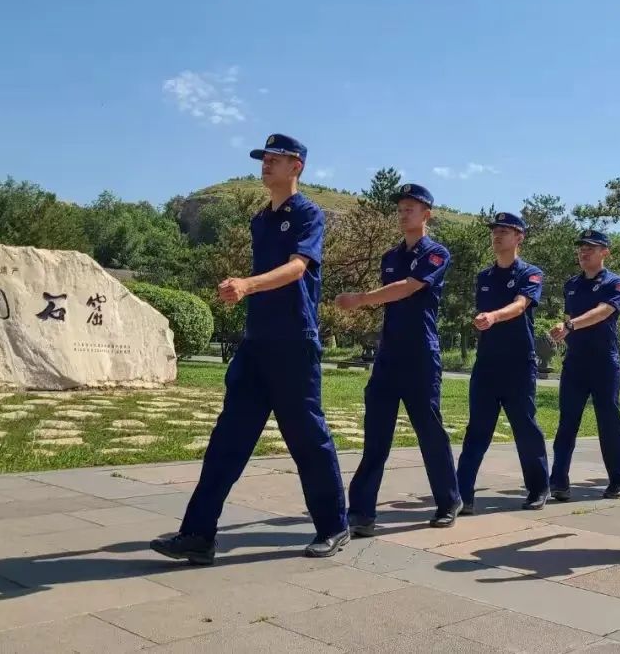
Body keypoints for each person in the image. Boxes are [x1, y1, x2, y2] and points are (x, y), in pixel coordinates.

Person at [150, 133, 349, 565]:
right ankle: (198, 535)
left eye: (276, 159)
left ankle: (334, 525)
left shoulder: (308, 214)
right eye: (264, 158)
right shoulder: (260, 220)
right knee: (228, 439)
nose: (266, 164)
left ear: (296, 167)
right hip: (256, 343)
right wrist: (242, 288)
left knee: (307, 438)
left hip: (294, 343)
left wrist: (247, 284)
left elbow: (297, 269)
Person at [335, 183, 462, 535]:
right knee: (376, 434)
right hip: (389, 355)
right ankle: (361, 512)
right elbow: (392, 295)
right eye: (401, 208)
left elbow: (409, 287)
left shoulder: (436, 253)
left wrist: (361, 298)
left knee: (429, 432)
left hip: (420, 355)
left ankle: (449, 500)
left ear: (426, 214)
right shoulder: (390, 256)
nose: (403, 213)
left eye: (411, 208)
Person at [456, 211, 551, 514]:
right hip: (487, 364)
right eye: (494, 231)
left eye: (504, 231)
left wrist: (493, 316)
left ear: (519, 237)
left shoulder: (530, 273)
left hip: (518, 364)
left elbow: (520, 305)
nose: (497, 236)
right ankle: (461, 495)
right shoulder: (484, 277)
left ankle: (538, 487)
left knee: (525, 427)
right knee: (477, 430)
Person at [548, 230, 620, 501]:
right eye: (581, 248)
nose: (584, 253)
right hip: (575, 362)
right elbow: (570, 317)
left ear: (605, 252)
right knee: (567, 422)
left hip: (604, 362)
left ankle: (619, 478)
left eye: (591, 248)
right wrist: (563, 327)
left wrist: (571, 324)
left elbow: (603, 311)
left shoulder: (615, 283)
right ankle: (558, 481)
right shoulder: (572, 284)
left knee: (609, 421)